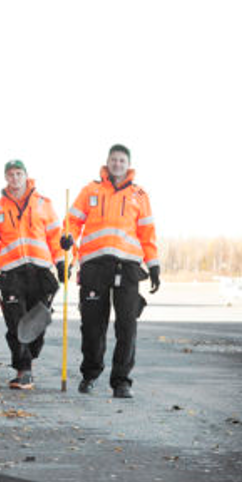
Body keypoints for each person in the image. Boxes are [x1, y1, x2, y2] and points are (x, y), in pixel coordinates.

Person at [63, 143, 159, 399]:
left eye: (122, 160)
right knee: (93, 326)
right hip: (94, 266)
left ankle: (121, 382)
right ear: (107, 162)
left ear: (129, 165)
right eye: (114, 160)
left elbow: (147, 234)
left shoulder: (140, 195)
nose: (117, 164)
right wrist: (68, 239)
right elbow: (72, 221)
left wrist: (154, 265)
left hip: (127, 268)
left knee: (127, 326)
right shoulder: (91, 190)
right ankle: (90, 374)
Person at [0, 160, 64, 390]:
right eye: (10, 175)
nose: (15, 179)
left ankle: (29, 359)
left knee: (37, 323)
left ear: (26, 176)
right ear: (5, 178)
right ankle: (23, 370)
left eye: (19, 174)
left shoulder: (43, 204)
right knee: (16, 324)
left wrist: (62, 262)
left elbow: (56, 236)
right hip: (11, 275)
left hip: (40, 272)